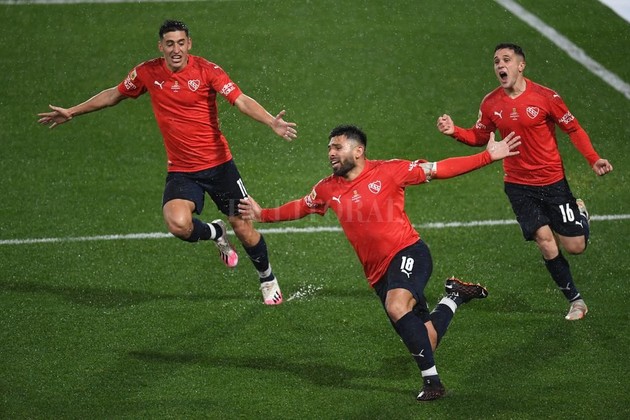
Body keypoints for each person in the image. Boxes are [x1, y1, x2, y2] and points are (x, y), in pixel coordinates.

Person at [238, 124, 521, 401]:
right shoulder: (327, 188)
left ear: (358, 150)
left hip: (409, 252)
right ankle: (455, 296)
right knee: (427, 340)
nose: (331, 153)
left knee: (396, 306)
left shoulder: (389, 170)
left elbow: (438, 169)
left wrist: (487, 156)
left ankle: (433, 383)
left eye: (337, 147)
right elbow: (301, 206)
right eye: (329, 148)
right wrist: (263, 215)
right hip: (378, 275)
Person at [37, 20, 297, 305]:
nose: (176, 49)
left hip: (221, 168)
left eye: (181, 43)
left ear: (189, 44)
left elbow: (240, 99)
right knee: (178, 225)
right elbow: (113, 94)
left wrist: (270, 121)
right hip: (182, 171)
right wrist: (72, 111)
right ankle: (216, 232)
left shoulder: (207, 71)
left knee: (245, 229)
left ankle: (267, 278)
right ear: (160, 46)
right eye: (170, 44)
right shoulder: (147, 72)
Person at [436, 43, 613, 321]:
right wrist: (454, 131)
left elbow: (573, 128)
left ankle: (579, 214)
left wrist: (593, 159)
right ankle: (576, 301)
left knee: (575, 247)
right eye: (496, 61)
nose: (500, 65)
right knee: (545, 242)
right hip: (518, 185)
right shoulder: (491, 103)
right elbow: (480, 137)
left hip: (552, 182)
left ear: (521, 66)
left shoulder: (546, 97)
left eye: (506, 60)